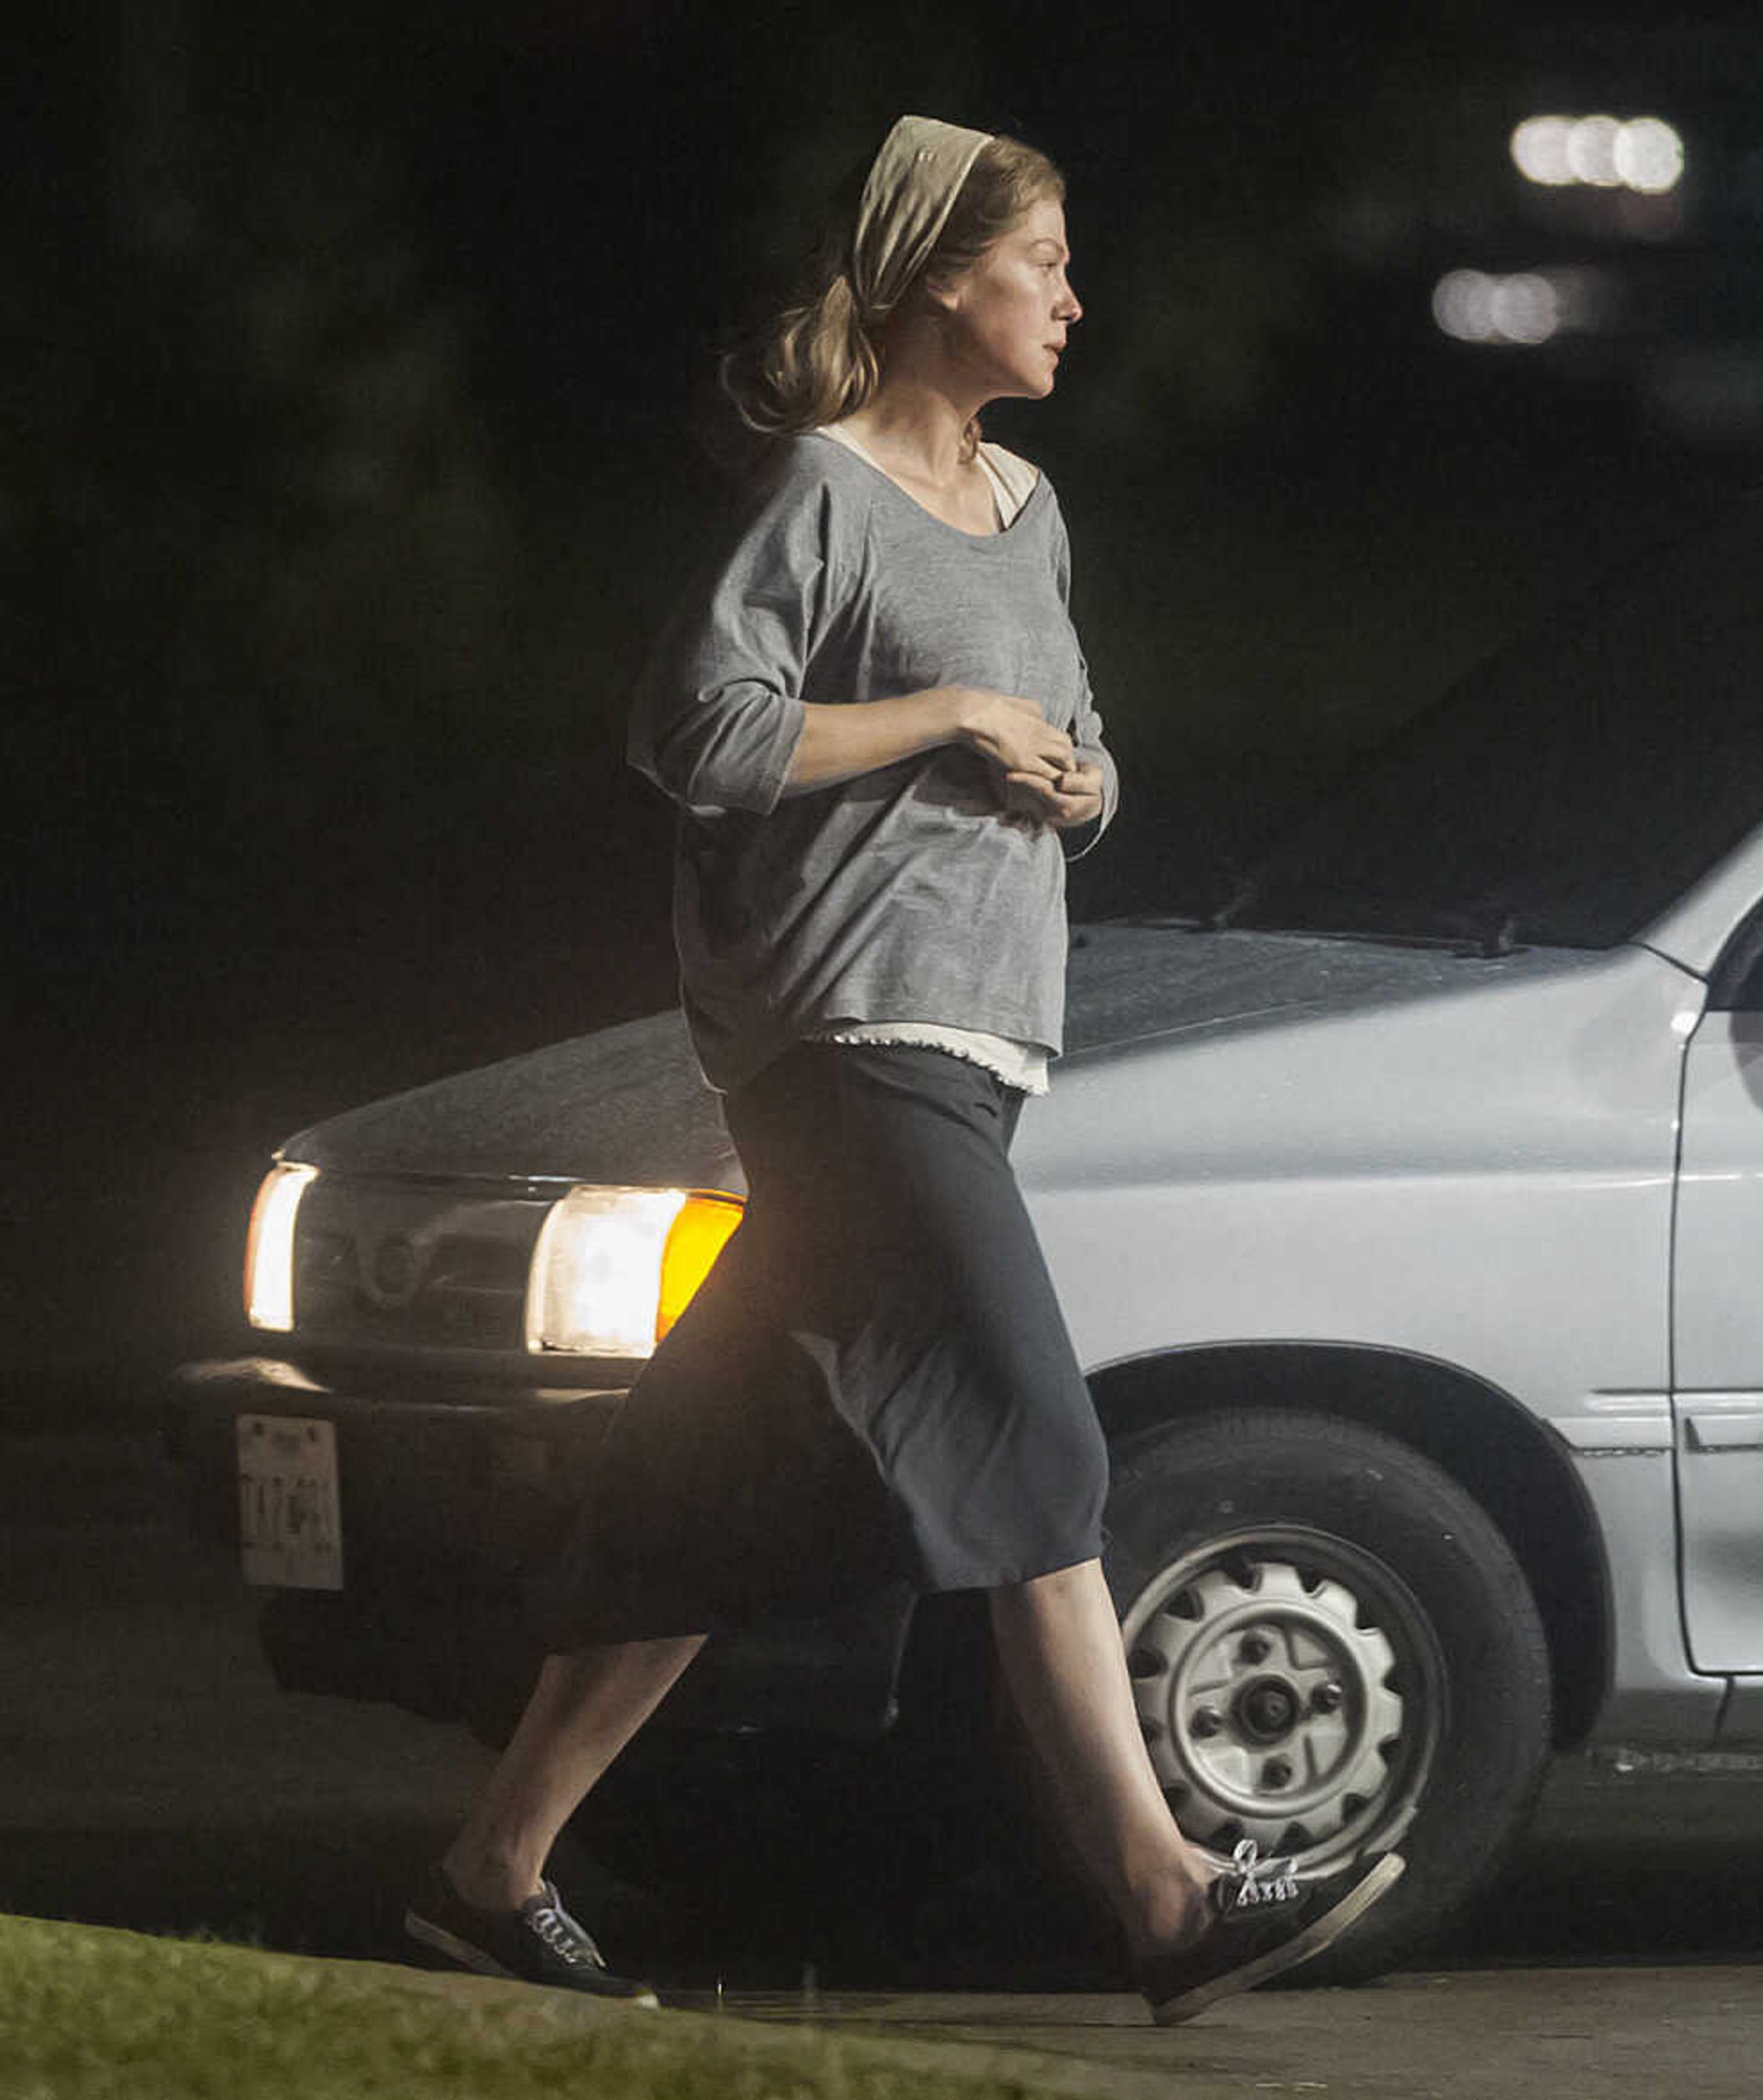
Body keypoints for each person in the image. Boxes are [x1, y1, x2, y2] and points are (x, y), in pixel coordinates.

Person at [398, 113, 1402, 2026]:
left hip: (982, 1043)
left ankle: (489, 1867)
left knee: (721, 1490)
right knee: (1040, 1425)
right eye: (1046, 265)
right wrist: (943, 712)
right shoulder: (824, 490)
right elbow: (698, 730)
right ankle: (1163, 1893)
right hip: (850, 1046)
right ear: (948, 275)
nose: (1074, 298)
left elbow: (1083, 751)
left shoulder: (1033, 512)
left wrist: (1078, 777)